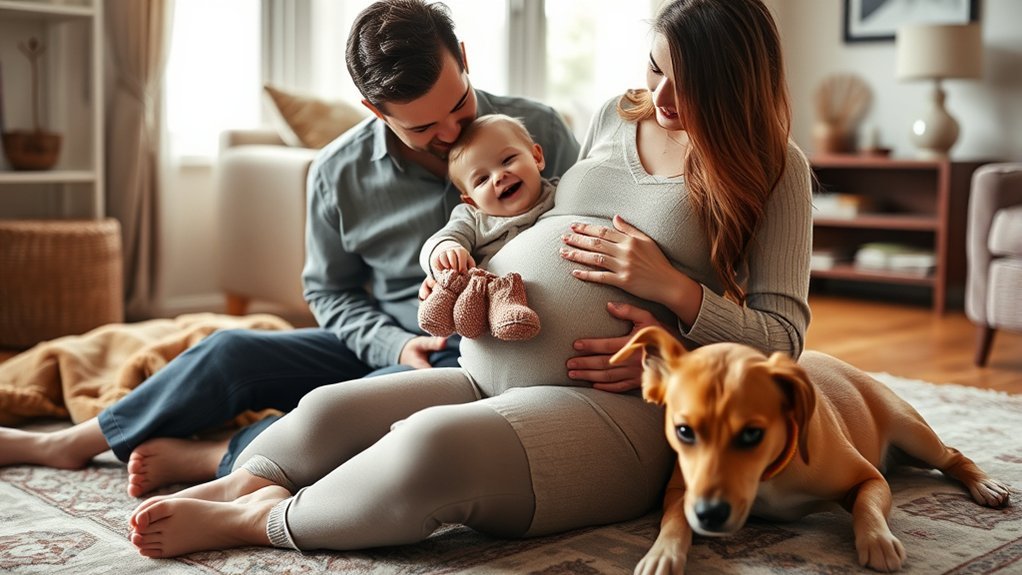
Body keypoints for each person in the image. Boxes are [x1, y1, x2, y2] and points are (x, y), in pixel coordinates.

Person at [126, 0, 813, 559]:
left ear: (734, 82)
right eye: (655, 68)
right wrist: (467, 277)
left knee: (429, 449)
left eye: (684, 81)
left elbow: (783, 336)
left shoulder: (775, 169)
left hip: (616, 405)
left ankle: (265, 521)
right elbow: (534, 218)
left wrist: (674, 292)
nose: (660, 94)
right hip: (486, 362)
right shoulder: (616, 113)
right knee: (333, 407)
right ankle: (239, 484)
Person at [0, 0, 587, 498]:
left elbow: (579, 232)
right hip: (387, 337)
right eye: (422, 128)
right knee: (229, 348)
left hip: (479, 354)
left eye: (458, 106)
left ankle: (216, 459)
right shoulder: (338, 171)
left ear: (463, 59)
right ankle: (73, 441)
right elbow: (327, 291)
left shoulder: (536, 130)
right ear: (375, 110)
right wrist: (393, 341)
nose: (451, 134)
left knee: (369, 419)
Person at [417, 113, 555, 341]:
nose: (499, 176)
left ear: (536, 157)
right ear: (471, 201)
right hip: (489, 304)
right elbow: (439, 240)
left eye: (508, 160)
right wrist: (446, 251)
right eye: (481, 180)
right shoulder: (473, 218)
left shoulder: (560, 195)